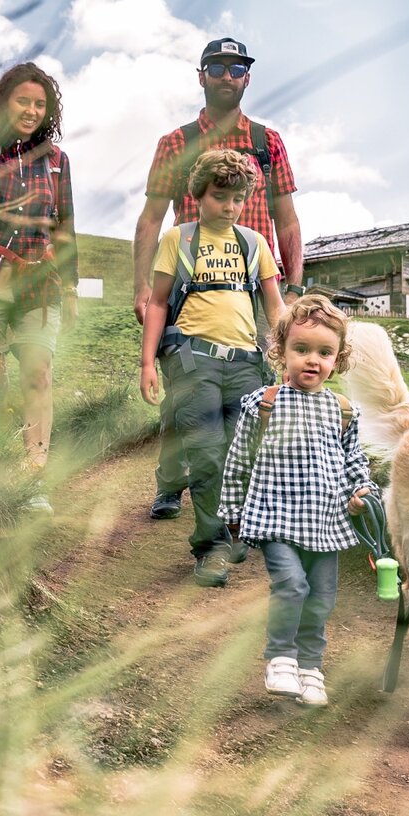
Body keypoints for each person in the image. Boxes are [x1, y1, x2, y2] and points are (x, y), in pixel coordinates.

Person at [133, 37, 304, 523]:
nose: (227, 75)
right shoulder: (176, 143)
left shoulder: (267, 142)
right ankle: (171, 482)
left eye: (237, 68)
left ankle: (234, 495)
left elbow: (287, 219)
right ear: (201, 75)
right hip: (189, 283)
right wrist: (142, 287)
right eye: (217, 67)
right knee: (183, 388)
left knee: (251, 393)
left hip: (256, 284)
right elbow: (151, 218)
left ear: (247, 77)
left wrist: (292, 288)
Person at [218, 296, 381, 707]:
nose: (313, 360)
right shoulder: (265, 404)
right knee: (292, 585)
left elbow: (353, 462)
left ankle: (310, 667)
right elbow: (238, 462)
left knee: (322, 598)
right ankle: (280, 659)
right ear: (281, 351)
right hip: (275, 519)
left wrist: (361, 491)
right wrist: (233, 515)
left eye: (324, 353)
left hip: (326, 523)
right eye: (301, 349)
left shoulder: (343, 410)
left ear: (337, 359)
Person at [140, 148, 285, 588]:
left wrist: (289, 355)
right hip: (192, 361)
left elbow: (275, 306)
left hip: (246, 364)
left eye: (238, 198)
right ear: (199, 195)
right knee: (205, 454)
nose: (230, 206)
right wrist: (147, 362)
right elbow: (158, 303)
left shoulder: (254, 244)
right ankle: (212, 548)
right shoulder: (178, 239)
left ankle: (233, 526)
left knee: (242, 455)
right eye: (220, 196)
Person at [0, 61, 78, 514]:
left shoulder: (57, 162)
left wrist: (72, 288)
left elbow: (64, 229)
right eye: (23, 101)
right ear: (4, 103)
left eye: (40, 104)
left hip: (40, 286)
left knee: (39, 374)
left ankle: (33, 478)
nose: (31, 110)